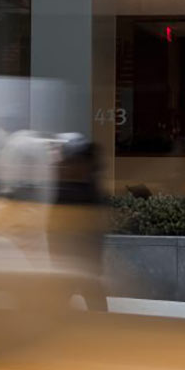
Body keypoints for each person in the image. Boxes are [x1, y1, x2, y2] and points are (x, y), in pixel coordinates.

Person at [46, 134, 110, 312]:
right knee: (86, 296)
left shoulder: (80, 189)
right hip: (75, 260)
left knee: (81, 296)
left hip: (79, 259)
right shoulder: (81, 188)